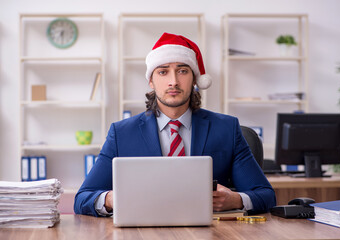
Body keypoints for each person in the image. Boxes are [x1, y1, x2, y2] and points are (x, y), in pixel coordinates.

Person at [74, 32, 276, 217]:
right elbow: (82, 199)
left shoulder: (227, 129)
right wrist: (111, 199)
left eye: (182, 71)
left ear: (195, 79)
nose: (173, 82)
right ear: (151, 82)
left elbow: (266, 195)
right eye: (163, 72)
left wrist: (236, 199)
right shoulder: (121, 133)